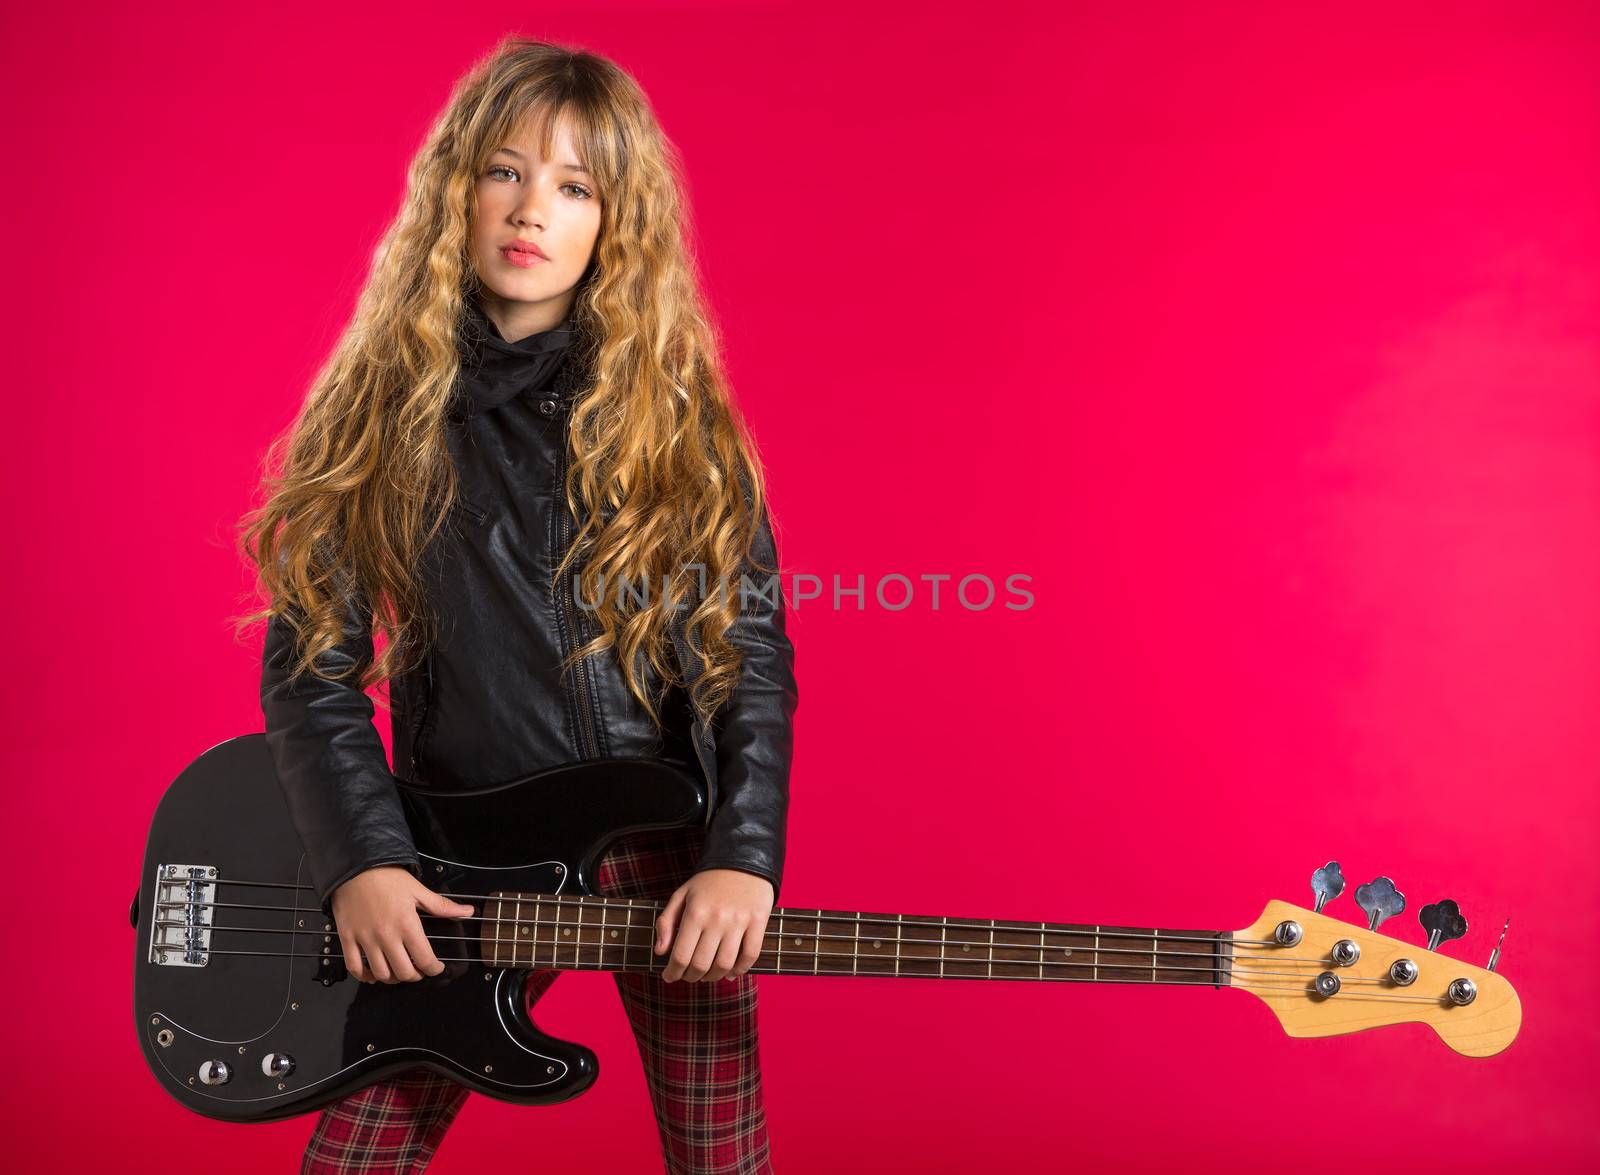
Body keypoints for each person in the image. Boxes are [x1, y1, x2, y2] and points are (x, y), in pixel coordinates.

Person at [237, 36, 797, 1175]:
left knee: (721, 1155)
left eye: (574, 185)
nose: (531, 208)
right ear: (456, 188)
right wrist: (364, 860)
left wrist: (742, 853)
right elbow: (313, 670)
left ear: (614, 223)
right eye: (505, 169)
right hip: (455, 851)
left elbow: (748, 654)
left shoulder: (683, 430)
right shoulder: (378, 417)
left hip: (665, 845)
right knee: (356, 1153)